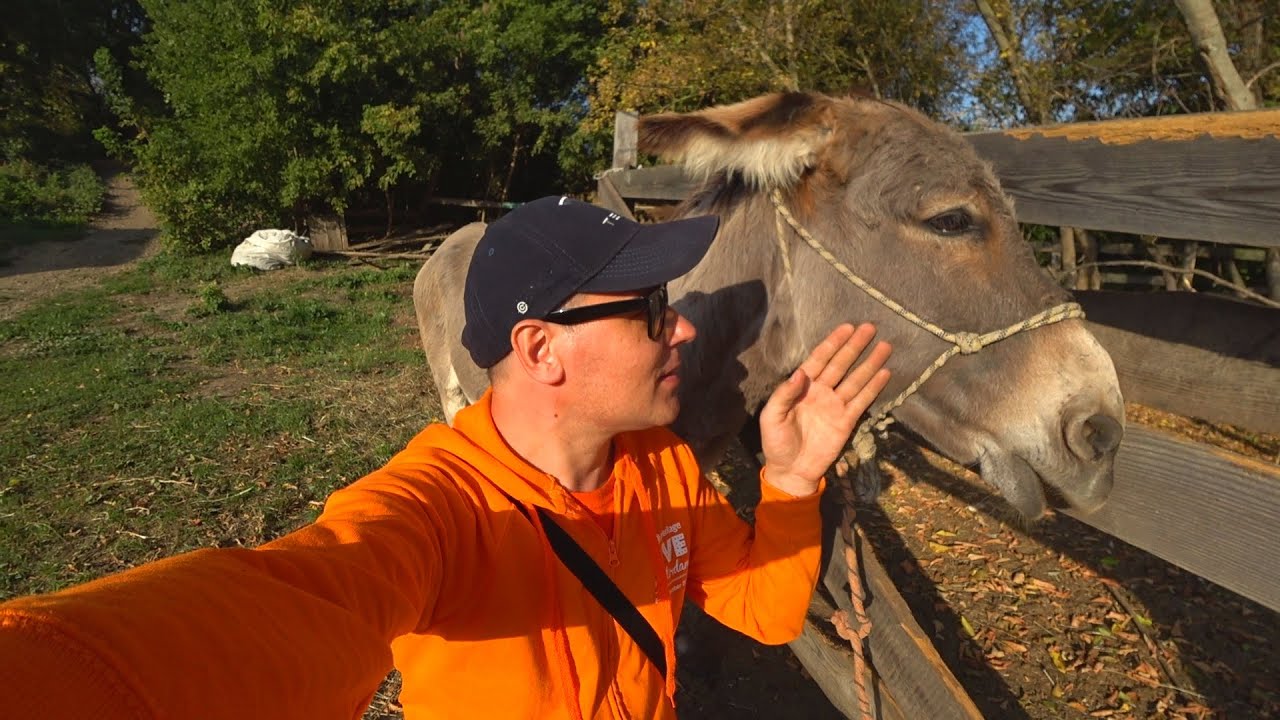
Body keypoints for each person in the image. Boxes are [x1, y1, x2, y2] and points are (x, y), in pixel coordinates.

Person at [0, 196, 891, 719]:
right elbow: (300, 596)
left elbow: (766, 615)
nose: (685, 327)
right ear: (543, 349)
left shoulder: (658, 463)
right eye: (651, 308)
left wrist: (790, 479)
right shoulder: (434, 511)